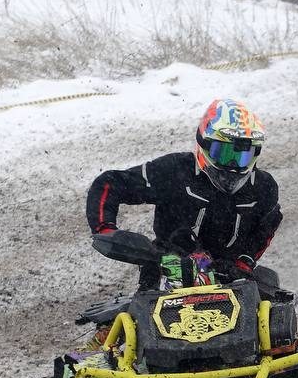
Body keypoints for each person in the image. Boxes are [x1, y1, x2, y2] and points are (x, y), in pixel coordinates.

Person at [86, 99, 282, 290]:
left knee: (280, 306)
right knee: (123, 321)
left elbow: (266, 227)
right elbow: (110, 183)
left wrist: (244, 263)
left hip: (229, 277)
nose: (231, 164)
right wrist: (106, 230)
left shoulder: (264, 188)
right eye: (223, 152)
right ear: (203, 142)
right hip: (167, 268)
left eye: (241, 156)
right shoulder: (173, 171)